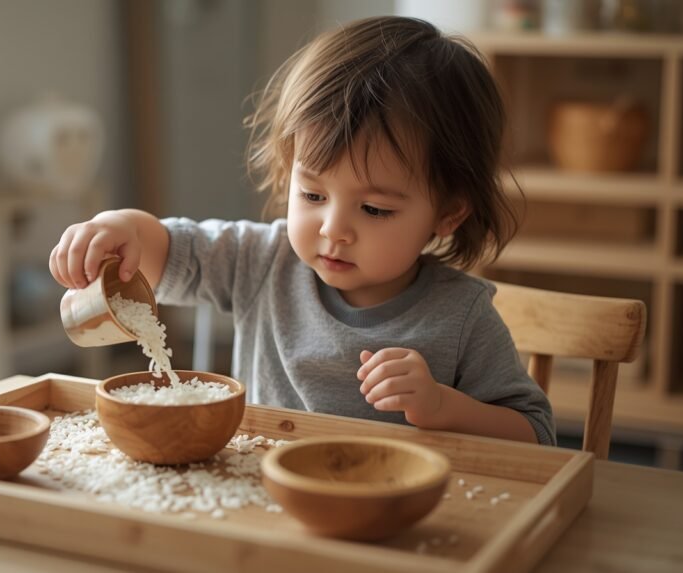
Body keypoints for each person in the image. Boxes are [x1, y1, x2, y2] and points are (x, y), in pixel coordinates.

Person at [49, 16, 555, 446]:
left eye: (374, 209)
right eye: (312, 195)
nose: (334, 230)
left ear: (448, 214)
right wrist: (120, 229)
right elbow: (170, 250)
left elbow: (536, 435)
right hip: (260, 498)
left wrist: (443, 406)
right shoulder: (261, 261)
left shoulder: (462, 316)